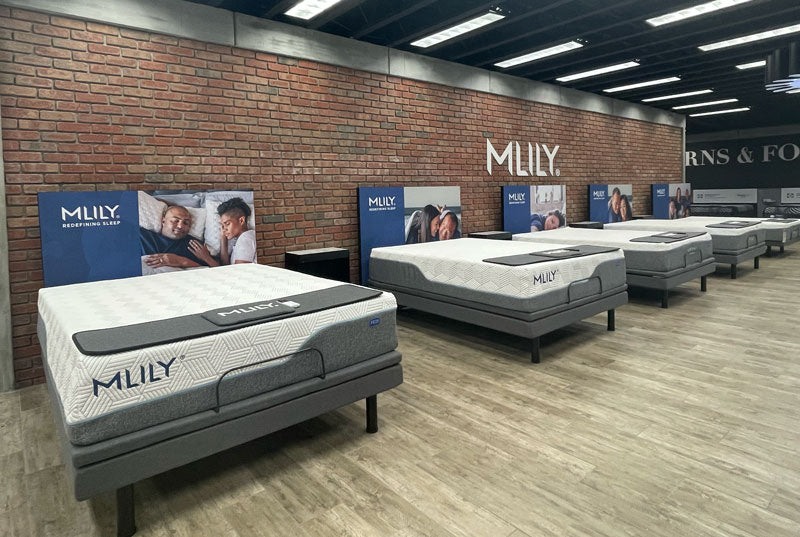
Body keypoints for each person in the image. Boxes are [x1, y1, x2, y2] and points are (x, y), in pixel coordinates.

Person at [140, 205, 211, 270]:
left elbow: (214, 270)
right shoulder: (142, 236)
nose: (180, 226)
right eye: (176, 221)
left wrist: (182, 261)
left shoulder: (194, 246)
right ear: (163, 221)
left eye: (186, 223)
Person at [208, 197, 257, 265]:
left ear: (241, 220)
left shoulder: (245, 238)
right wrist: (223, 238)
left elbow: (241, 270)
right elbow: (226, 265)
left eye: (227, 224)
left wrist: (207, 258)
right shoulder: (243, 239)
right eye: (222, 226)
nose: (224, 229)